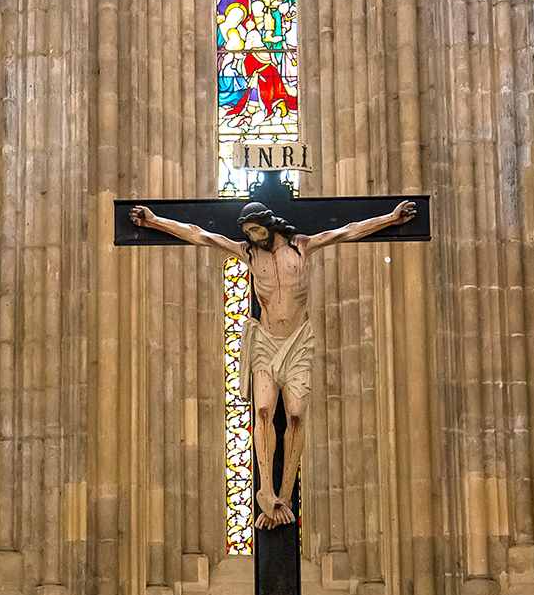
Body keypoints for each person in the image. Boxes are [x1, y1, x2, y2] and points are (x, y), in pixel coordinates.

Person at [129, 199, 416, 528]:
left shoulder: (301, 246)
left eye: (256, 230)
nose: (253, 237)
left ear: (269, 223)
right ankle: (266, 490)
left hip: (298, 343)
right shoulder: (248, 253)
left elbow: (348, 231)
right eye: (248, 233)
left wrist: (391, 219)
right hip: (265, 341)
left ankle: (285, 494)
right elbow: (200, 235)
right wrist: (154, 221)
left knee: (295, 415)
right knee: (263, 411)